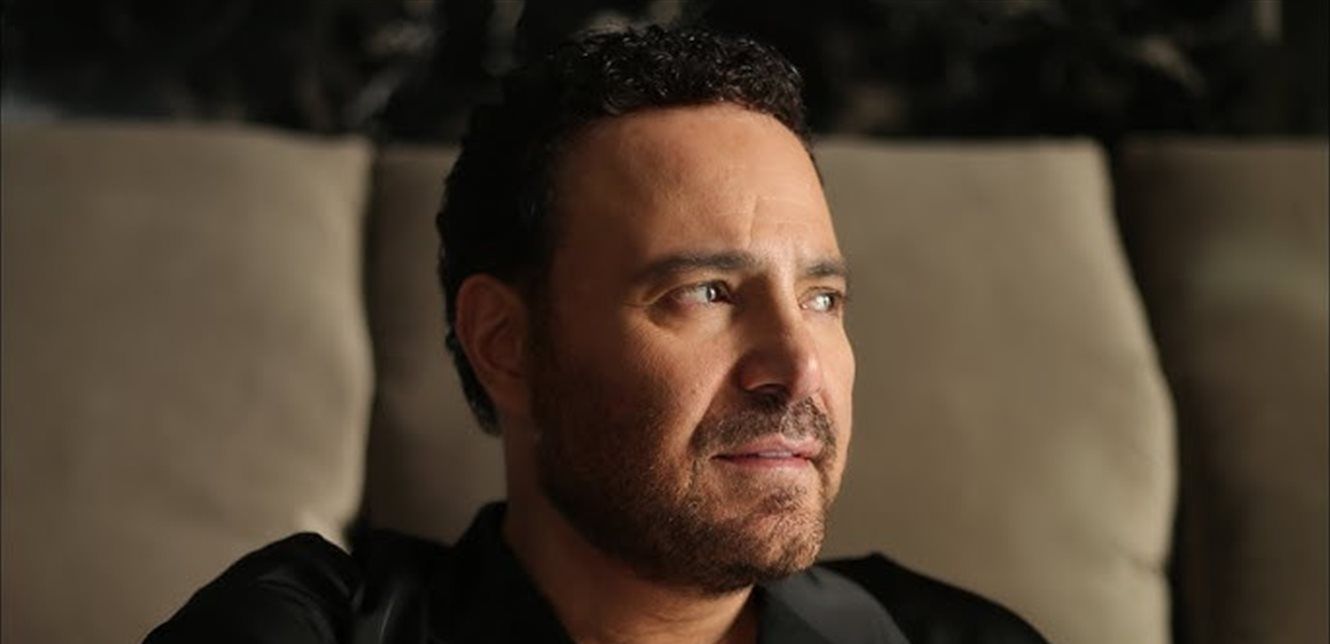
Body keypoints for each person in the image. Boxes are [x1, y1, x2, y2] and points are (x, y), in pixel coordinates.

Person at [145, 27, 1048, 644]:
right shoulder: (308, 627)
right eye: (705, 292)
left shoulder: (948, 636)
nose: (799, 367)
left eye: (822, 299)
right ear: (505, 342)